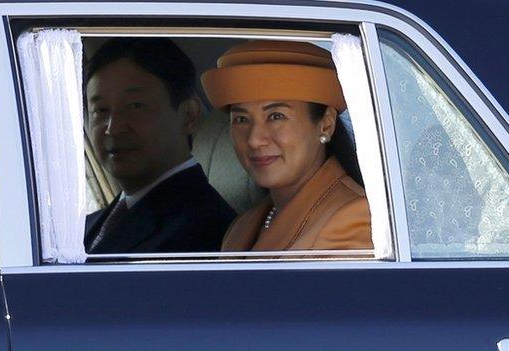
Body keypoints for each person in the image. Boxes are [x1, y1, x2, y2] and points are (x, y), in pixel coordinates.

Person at [201, 40, 372, 252]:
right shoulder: (242, 226)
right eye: (241, 119)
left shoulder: (353, 218)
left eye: (276, 116)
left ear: (326, 124)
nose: (254, 140)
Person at [83, 38, 236, 254]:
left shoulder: (208, 231)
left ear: (188, 116)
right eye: (100, 110)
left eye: (135, 106)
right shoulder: (86, 227)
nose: (113, 128)